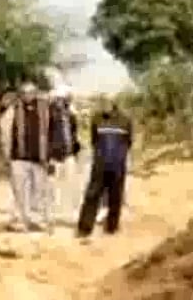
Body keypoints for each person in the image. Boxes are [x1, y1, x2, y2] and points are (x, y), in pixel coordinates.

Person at [0, 81, 53, 232]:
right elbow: (5, 131)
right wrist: (6, 154)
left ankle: (37, 220)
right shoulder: (13, 109)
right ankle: (20, 221)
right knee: (19, 191)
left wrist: (49, 154)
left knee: (39, 191)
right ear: (20, 95)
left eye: (31, 92)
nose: (28, 96)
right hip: (18, 157)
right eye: (24, 93)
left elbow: (51, 131)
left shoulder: (45, 109)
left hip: (39, 157)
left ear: (35, 93)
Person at [78, 101, 135, 238]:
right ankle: (85, 228)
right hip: (100, 165)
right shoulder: (97, 119)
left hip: (117, 165)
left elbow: (128, 142)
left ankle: (112, 227)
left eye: (108, 105)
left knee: (115, 196)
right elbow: (94, 140)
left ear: (114, 107)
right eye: (104, 105)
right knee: (92, 195)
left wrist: (119, 155)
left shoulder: (125, 120)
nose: (105, 108)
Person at [49, 84, 81, 217]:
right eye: (65, 98)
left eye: (68, 98)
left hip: (69, 153)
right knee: (52, 184)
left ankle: (73, 211)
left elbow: (73, 133)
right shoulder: (50, 114)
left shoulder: (70, 114)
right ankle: (51, 211)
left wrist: (75, 148)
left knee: (72, 183)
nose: (66, 100)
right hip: (54, 154)